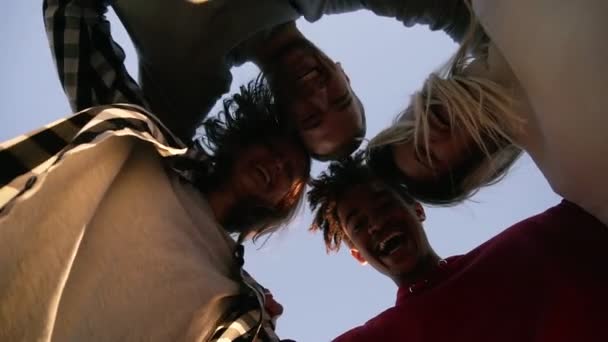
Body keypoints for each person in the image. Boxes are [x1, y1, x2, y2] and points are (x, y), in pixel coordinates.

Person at [0, 1, 311, 341]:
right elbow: (71, 14)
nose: (277, 163)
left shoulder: (241, 301)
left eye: (290, 174)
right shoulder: (141, 146)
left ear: (282, 204)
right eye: (271, 147)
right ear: (243, 142)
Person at [103, 0, 475, 158]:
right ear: (344, 74)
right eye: (340, 99)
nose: (319, 94)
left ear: (281, 117)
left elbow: (143, 160)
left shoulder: (190, 75)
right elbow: (451, 12)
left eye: (312, 117)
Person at [308, 152, 608, 341]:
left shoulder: (535, 239)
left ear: (417, 209)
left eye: (384, 204)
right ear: (359, 254)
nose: (376, 224)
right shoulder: (383, 336)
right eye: (358, 225)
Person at [368, 1, 608, 225]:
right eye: (426, 153)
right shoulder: (573, 173)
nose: (424, 132)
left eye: (407, 131)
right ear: (467, 171)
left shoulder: (490, 10)